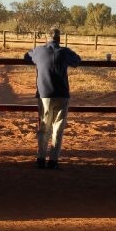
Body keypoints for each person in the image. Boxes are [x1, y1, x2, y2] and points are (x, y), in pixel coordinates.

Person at [24, 28, 81, 169]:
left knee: (44, 126)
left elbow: (26, 57)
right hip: (62, 94)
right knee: (58, 128)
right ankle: (53, 160)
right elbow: (77, 61)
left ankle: (41, 158)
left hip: (44, 94)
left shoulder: (38, 51)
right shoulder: (65, 52)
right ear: (59, 39)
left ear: (46, 38)